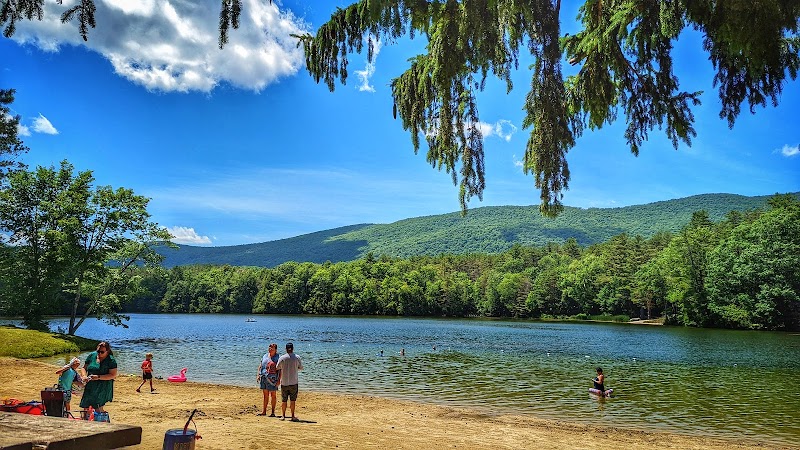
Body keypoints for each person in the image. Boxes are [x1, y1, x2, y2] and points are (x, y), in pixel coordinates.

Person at [79, 341, 118, 421]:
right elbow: (84, 368)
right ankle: (85, 423)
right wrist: (84, 376)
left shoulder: (111, 360)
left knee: (98, 407)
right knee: (85, 406)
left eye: (102, 352)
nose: (99, 353)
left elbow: (113, 375)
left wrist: (98, 377)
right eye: (98, 351)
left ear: (107, 351)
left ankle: (103, 422)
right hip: (90, 385)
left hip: (103, 385)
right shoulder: (92, 356)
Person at [275, 342, 303, 422]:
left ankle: (283, 416)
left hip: (284, 382)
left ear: (286, 349)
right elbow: (300, 367)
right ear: (293, 348)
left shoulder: (282, 358)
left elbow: (277, 367)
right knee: (292, 400)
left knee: (284, 400)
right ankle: (293, 416)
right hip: (294, 382)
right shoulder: (297, 357)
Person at [257, 343, 281, 417]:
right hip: (263, 377)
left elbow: (280, 370)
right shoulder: (265, 355)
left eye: (272, 348)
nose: (270, 349)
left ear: (275, 350)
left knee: (273, 395)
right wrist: (258, 374)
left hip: (273, 379)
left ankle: (273, 412)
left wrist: (279, 380)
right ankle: (264, 411)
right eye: (269, 348)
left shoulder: (278, 357)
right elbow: (261, 365)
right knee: (265, 395)